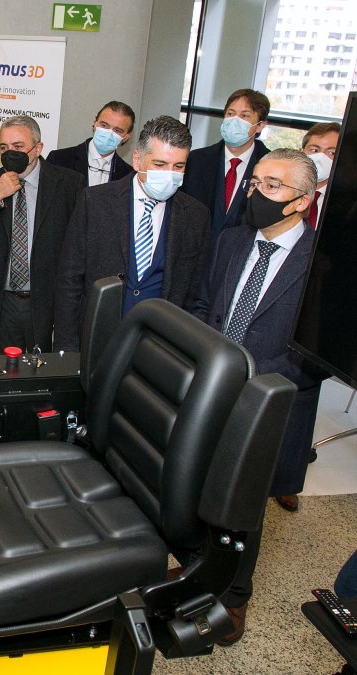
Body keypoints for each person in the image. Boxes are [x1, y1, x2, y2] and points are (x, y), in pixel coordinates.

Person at [191, 149, 329, 644]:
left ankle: (234, 597)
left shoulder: (322, 264)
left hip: (270, 405)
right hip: (212, 389)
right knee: (200, 485)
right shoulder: (231, 241)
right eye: (255, 183)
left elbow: (314, 356)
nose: (257, 193)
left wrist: (248, 377)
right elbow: (205, 304)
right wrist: (210, 362)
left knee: (243, 505)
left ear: (302, 202)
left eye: (272, 186)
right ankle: (197, 574)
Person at [54, 115, 210, 352]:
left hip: (159, 349)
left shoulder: (196, 216)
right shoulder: (95, 202)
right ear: (137, 159)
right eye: (159, 164)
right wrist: (67, 349)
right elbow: (69, 280)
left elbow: (196, 292)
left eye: (178, 166)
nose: (169, 174)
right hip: (96, 341)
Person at [0, 115, 82, 354]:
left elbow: (78, 247)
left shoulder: (68, 184)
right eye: (4, 147)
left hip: (45, 301)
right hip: (0, 302)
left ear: (38, 148)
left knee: (41, 376)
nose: (10, 152)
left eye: (18, 147)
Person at [181, 88, 272, 239]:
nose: (235, 120)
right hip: (197, 252)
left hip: (241, 255)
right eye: (230, 114)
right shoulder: (195, 160)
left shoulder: (270, 165)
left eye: (244, 115)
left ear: (261, 125)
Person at [45, 101, 136, 188]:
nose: (109, 134)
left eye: (117, 130)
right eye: (104, 125)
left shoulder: (129, 176)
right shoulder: (58, 159)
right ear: (95, 123)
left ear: (127, 137)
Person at [300, 121, 340, 228]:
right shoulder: (278, 191)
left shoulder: (345, 203)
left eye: (331, 153)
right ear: (301, 153)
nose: (321, 158)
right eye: (314, 150)